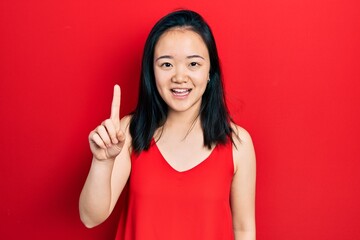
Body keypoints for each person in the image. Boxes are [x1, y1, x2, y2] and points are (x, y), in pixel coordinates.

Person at [79, 9, 256, 240]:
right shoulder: (129, 132)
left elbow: (243, 229)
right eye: (166, 65)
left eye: (193, 64)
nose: (180, 77)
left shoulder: (238, 144)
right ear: (151, 72)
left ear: (210, 71)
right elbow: (90, 217)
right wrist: (102, 162)